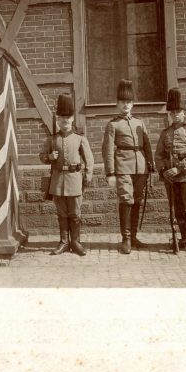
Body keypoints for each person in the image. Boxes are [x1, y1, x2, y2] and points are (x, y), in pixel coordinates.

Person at [102, 79, 155, 255]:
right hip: (123, 166)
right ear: (117, 104)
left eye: (129, 102)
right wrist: (110, 173)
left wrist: (150, 165)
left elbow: (147, 145)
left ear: (133, 104)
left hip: (140, 167)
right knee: (126, 199)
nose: (126, 105)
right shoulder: (113, 124)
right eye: (123, 102)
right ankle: (125, 238)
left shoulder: (140, 122)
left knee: (137, 200)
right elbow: (108, 150)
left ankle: (133, 237)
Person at [40, 93, 94, 256]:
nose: (65, 120)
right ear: (58, 119)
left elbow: (89, 159)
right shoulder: (52, 139)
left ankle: (76, 242)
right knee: (61, 214)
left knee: (75, 213)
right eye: (62, 117)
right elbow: (41, 156)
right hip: (57, 181)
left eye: (68, 117)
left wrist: (88, 176)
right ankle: (63, 242)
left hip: (75, 180)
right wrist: (49, 157)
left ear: (72, 119)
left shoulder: (79, 138)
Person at [155, 87, 186, 255]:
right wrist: (163, 171)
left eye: (179, 111)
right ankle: (185, 238)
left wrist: (180, 168)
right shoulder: (165, 133)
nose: (175, 114)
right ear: (169, 114)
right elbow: (159, 155)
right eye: (173, 112)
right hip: (171, 177)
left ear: (184, 112)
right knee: (177, 208)